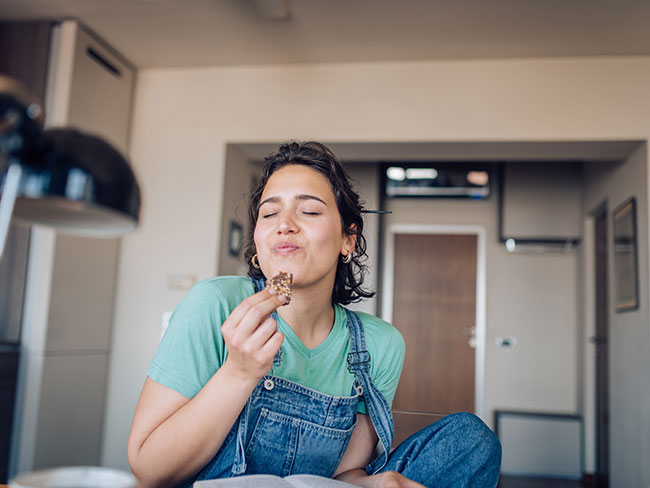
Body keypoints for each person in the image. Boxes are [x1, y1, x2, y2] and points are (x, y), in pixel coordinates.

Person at [127, 141, 501, 488]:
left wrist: (373, 482)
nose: (284, 224)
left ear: (347, 239)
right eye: (269, 213)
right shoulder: (215, 303)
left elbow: (342, 476)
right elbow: (148, 469)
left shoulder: (379, 345)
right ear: (258, 245)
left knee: (470, 440)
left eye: (308, 210)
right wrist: (237, 374)